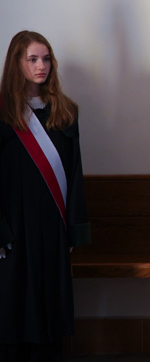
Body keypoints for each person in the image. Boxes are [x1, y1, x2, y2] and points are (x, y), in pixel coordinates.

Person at [0, 31, 90, 362]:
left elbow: (76, 171)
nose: (42, 66)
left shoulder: (64, 111)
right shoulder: (3, 113)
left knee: (50, 295)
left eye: (46, 59)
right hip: (16, 222)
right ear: (16, 63)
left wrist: (73, 227)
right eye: (33, 59)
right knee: (16, 295)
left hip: (52, 221)